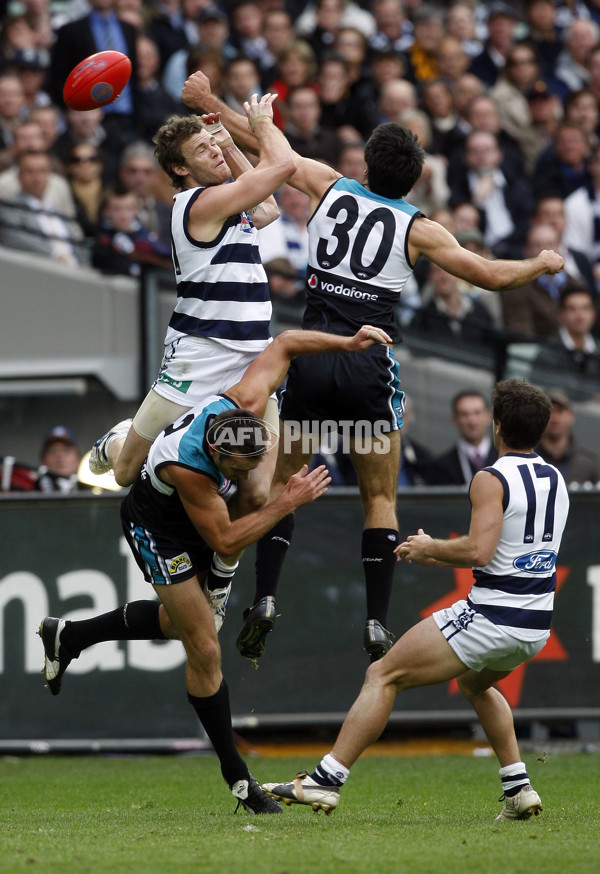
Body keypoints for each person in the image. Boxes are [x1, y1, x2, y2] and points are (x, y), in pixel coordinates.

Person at [180, 69, 565, 664]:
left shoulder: (330, 186)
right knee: (379, 499)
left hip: (310, 356)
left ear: (365, 164)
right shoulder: (419, 228)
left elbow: (266, 147)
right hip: (367, 365)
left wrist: (210, 104)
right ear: (413, 181)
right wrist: (540, 262)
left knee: (286, 486)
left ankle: (266, 598)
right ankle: (376, 622)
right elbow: (489, 276)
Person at [38, 322, 392, 813]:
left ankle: (69, 636)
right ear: (217, 454)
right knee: (204, 646)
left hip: (196, 515)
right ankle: (239, 780)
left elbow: (286, 342)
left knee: (177, 621)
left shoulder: (243, 400)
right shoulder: (191, 470)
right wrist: (284, 504)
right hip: (160, 528)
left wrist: (348, 342)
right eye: (237, 468)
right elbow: (225, 536)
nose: (245, 475)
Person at [261, 378, 570, 821]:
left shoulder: (491, 477)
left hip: (493, 615)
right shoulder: (555, 477)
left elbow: (478, 552)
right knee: (474, 683)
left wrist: (429, 550)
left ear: (497, 426)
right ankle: (519, 789)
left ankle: (324, 781)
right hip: (536, 623)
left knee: (383, 674)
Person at [87, 94, 295, 616]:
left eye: (213, 143)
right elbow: (284, 168)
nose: (215, 151)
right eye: (203, 149)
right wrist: (254, 124)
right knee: (125, 472)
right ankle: (117, 437)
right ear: (180, 168)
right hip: (197, 360)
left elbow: (269, 208)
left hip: (251, 364)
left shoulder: (231, 199)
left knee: (257, 491)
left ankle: (221, 582)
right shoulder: (196, 204)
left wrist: (228, 142)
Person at [532, 283, 600, 401]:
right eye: (572, 309)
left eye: (585, 308)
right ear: (561, 315)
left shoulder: (597, 348)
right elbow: (546, 394)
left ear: (593, 314)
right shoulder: (548, 351)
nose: (580, 316)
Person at [427, 390, 498, 486]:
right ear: (455, 420)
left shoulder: (504, 458)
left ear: (489, 417)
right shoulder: (441, 467)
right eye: (465, 414)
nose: (472, 420)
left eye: (477, 413)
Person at [536, 387, 600, 485]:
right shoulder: (527, 458)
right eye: (549, 411)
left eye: (560, 411)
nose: (554, 418)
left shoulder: (588, 464)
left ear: (571, 416)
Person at [36, 425, 88, 494]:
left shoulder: (92, 489)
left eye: (66, 450)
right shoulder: (31, 488)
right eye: (53, 451)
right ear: (43, 460)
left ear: (78, 459)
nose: (60, 456)